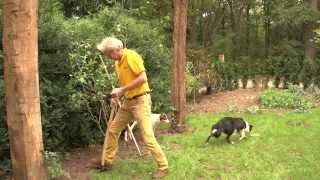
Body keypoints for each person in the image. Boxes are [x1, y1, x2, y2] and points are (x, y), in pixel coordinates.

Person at [96, 37, 169, 178]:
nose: (108, 57)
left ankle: (163, 167)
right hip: (128, 102)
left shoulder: (131, 56)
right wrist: (118, 96)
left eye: (108, 54)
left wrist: (121, 90)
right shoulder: (118, 63)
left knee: (147, 137)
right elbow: (126, 84)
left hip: (141, 101)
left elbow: (143, 79)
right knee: (113, 130)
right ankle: (107, 162)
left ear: (116, 50)